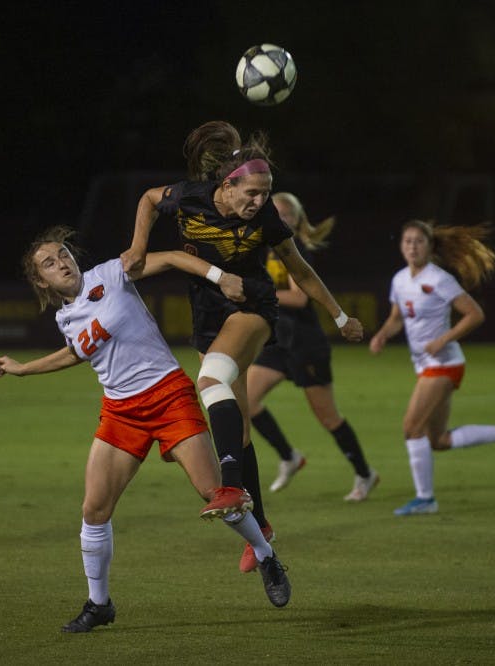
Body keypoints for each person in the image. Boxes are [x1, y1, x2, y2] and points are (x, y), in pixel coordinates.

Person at [0, 226, 290, 635]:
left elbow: (169, 258)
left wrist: (218, 277)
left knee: (214, 492)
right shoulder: (65, 316)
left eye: (63, 255)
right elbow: (76, 353)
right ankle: (99, 604)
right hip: (121, 411)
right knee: (94, 509)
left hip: (168, 395)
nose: (61, 264)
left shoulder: (111, 274)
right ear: (41, 280)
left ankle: (265, 554)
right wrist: (22, 368)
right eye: (49, 263)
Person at [120, 121, 364, 573]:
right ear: (227, 186)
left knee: (211, 379)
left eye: (265, 193)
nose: (259, 202)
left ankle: (231, 487)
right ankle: (262, 528)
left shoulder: (267, 219)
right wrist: (137, 246)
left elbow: (303, 270)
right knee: (239, 426)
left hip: (253, 307)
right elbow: (149, 199)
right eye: (251, 193)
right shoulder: (188, 197)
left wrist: (340, 315)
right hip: (208, 315)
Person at [368, 220, 495, 517]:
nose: (412, 246)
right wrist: (382, 334)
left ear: (430, 247)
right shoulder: (399, 280)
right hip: (426, 366)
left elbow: (475, 314)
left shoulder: (440, 279)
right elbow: (397, 317)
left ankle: (425, 499)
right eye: (407, 241)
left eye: (418, 241)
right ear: (401, 246)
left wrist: (442, 339)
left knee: (411, 428)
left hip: (445, 363)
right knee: (438, 440)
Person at [247, 192, 379, 502]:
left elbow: (299, 297)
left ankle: (365, 473)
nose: (278, 218)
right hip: (279, 341)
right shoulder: (264, 249)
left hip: (306, 344)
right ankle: (289, 456)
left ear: (295, 219)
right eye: (273, 212)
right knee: (246, 401)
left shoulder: (297, 248)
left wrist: (259, 293)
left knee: (328, 418)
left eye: (285, 214)